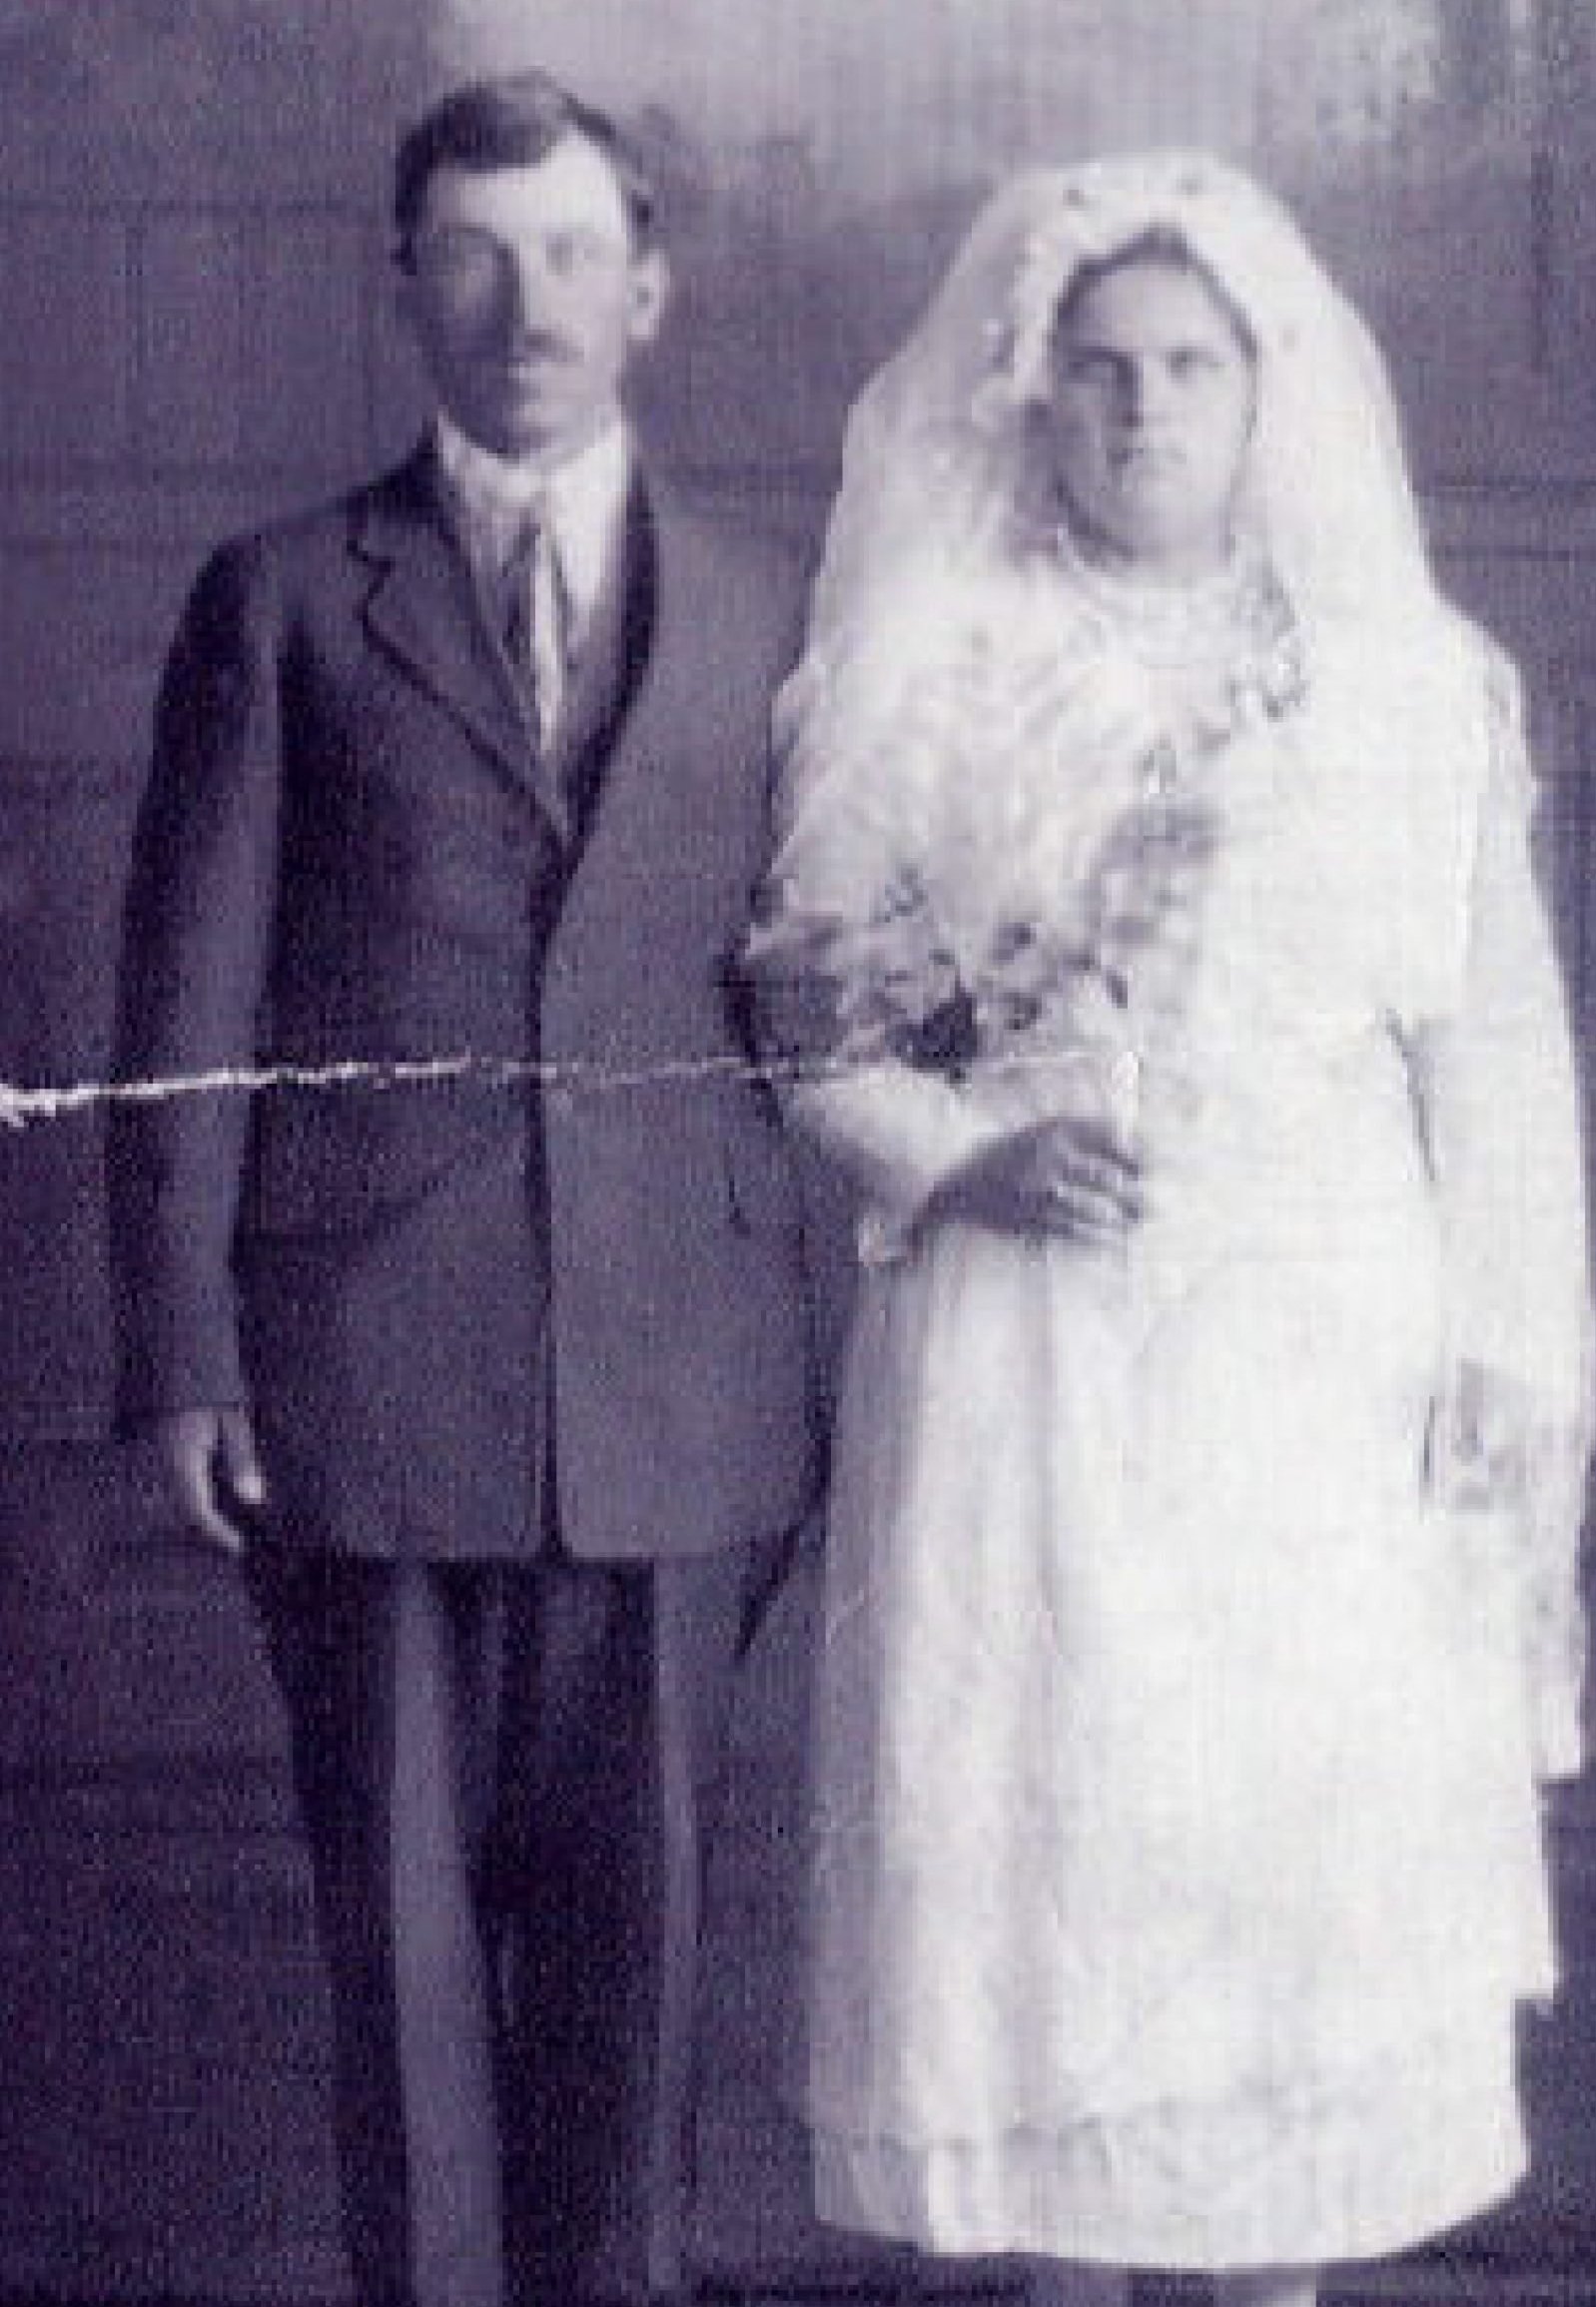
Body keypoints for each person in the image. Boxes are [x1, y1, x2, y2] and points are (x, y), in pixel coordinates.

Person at [748, 155, 1595, 2307]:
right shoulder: (931, 661)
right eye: (1100, 372)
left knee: (1276, 1918)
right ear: (1034, 398)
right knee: (1064, 1905)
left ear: (1259, 391)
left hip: (1318, 1363)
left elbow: (1494, 1056)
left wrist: (1506, 1348)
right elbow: (804, 1014)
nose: (1142, 413)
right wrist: (950, 1157)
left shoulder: (1406, 680)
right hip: (1034, 1356)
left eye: (1188, 369)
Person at [109, 72, 818, 2307]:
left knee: (646, 1959)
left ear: (653, 289)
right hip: (357, 1378)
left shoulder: (777, 606)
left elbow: (829, 982)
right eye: (478, 254)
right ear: (405, 281)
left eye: (577, 253)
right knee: (402, 1966)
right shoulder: (287, 601)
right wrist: (185, 1360)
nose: (531, 303)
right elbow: (189, 1004)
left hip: (683, 1382)